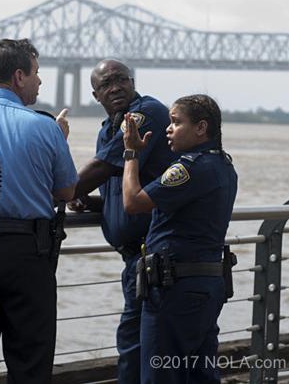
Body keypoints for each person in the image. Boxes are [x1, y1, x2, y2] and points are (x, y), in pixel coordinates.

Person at [0, 39, 77, 384]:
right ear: (18, 76)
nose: (40, 82)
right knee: (30, 360)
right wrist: (58, 142)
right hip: (28, 253)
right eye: (37, 73)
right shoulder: (44, 127)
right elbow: (66, 191)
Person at [121, 94, 237, 384]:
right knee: (199, 375)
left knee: (161, 375)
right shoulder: (223, 165)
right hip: (206, 287)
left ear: (201, 128)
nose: (168, 129)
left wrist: (131, 153)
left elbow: (133, 201)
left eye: (176, 122)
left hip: (174, 291)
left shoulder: (188, 168)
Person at [69, 59, 172, 384]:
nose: (115, 88)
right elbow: (119, 187)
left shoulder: (145, 114)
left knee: (138, 346)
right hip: (133, 259)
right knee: (139, 344)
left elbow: (101, 167)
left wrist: (52, 194)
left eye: (120, 80)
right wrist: (87, 200)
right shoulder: (107, 129)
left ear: (131, 81)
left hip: (153, 257)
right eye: (106, 84)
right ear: (95, 94)